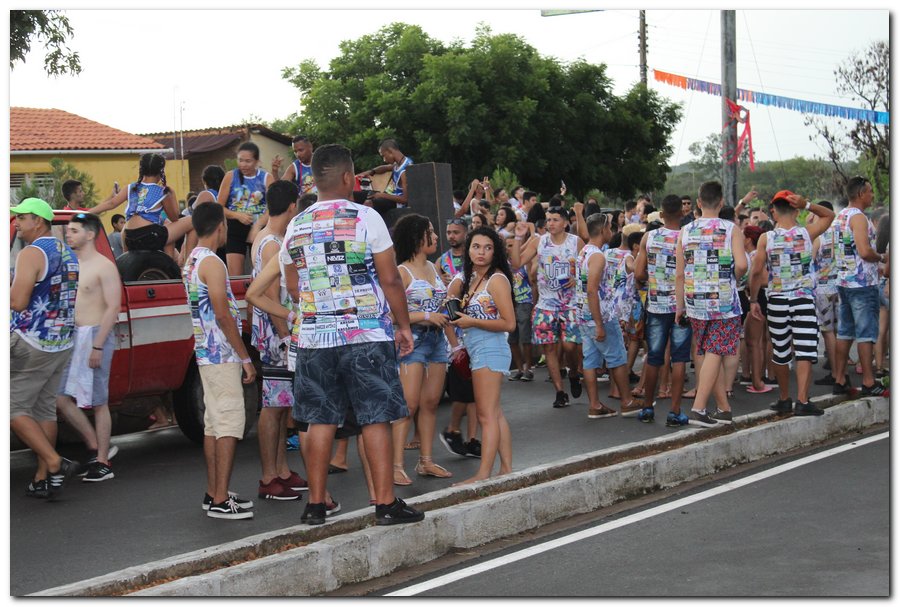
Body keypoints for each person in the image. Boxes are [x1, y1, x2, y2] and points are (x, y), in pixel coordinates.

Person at [280, 143, 423, 526]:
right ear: (347, 177)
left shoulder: (296, 225)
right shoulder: (366, 217)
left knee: (320, 420)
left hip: (314, 337)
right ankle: (385, 504)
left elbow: (292, 284)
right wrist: (404, 325)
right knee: (375, 417)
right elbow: (390, 278)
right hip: (365, 334)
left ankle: (315, 505)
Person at [184, 202, 258, 520]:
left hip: (204, 352)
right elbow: (223, 313)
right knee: (227, 423)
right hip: (221, 353)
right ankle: (218, 499)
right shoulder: (213, 263)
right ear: (220, 227)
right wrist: (245, 357)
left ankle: (215, 492)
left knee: (213, 424)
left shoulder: (191, 260)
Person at [10, 198, 80, 498]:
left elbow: (17, 302)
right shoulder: (67, 251)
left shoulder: (31, 253)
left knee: (11, 407)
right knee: (43, 409)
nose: (17, 223)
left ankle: (53, 461)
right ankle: (43, 478)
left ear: (38, 221)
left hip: (31, 340)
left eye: (22, 218)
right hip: (61, 341)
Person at [749, 191, 835, 416]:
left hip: (777, 300)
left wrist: (753, 300)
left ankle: (784, 398)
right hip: (803, 299)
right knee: (805, 351)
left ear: (773, 212)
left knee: (781, 351)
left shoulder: (766, 238)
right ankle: (803, 401)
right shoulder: (807, 233)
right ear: (796, 211)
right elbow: (829, 216)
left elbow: (757, 271)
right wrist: (808, 203)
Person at [247, 180, 308, 500]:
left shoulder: (268, 237)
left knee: (284, 406)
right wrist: (285, 337)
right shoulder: (271, 242)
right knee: (272, 407)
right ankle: (269, 475)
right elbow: (271, 296)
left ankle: (282, 470)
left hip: (278, 332)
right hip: (276, 335)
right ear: (292, 207)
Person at [54, 212, 122, 481]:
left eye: (73, 230)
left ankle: (103, 461)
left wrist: (97, 345)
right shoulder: (71, 264)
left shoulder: (104, 266)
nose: (68, 234)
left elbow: (113, 307)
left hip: (96, 336)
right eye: (68, 230)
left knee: (98, 402)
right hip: (74, 337)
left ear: (90, 234)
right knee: (61, 398)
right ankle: (95, 444)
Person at [675, 181, 747, 427]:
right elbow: (743, 265)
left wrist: (679, 307)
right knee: (716, 351)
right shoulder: (731, 229)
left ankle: (724, 409)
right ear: (722, 202)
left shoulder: (685, 231)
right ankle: (698, 408)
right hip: (724, 301)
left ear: (697, 203)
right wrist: (734, 275)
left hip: (695, 301)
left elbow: (679, 274)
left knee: (707, 353)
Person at [447, 227, 516, 485]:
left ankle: (483, 474)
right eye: (476, 246)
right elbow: (451, 290)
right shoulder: (473, 277)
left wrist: (472, 321)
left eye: (488, 247)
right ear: (468, 249)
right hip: (479, 347)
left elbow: (509, 323)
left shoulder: (496, 279)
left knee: (486, 415)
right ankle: (506, 468)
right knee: (495, 413)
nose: (481, 252)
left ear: (495, 251)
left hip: (490, 347)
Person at [391, 214, 453, 485]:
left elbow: (441, 306)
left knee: (430, 403)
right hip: (413, 341)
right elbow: (392, 315)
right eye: (431, 231)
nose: (437, 237)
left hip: (437, 340)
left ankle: (426, 461)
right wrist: (426, 317)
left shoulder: (433, 266)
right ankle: (395, 466)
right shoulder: (401, 272)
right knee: (409, 404)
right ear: (417, 238)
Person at [511, 207, 584, 408]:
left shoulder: (575, 242)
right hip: (545, 305)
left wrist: (576, 278)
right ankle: (560, 392)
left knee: (570, 346)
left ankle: (574, 373)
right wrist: (518, 238)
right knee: (550, 348)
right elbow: (516, 262)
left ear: (565, 223)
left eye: (555, 219)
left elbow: (588, 266)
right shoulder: (539, 241)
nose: (550, 223)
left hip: (569, 305)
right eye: (548, 219)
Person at [632, 195, 693, 426]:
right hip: (682, 306)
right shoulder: (688, 237)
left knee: (654, 357)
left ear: (661, 214)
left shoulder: (649, 237)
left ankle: (648, 408)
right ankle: (675, 411)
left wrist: (655, 279)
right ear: (682, 212)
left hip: (656, 305)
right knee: (678, 359)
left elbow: (638, 274)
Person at [830, 176, 888, 397]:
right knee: (866, 333)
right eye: (870, 191)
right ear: (861, 193)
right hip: (862, 283)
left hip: (844, 280)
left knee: (845, 331)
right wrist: (881, 257)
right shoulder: (859, 218)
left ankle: (839, 378)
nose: (872, 195)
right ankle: (868, 380)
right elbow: (864, 251)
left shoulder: (840, 217)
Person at [576, 212, 637, 419]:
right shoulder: (597, 256)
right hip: (600, 315)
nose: (612, 231)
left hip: (584, 315)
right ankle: (627, 401)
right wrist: (600, 324)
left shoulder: (585, 251)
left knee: (590, 360)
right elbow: (592, 290)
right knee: (617, 358)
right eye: (610, 227)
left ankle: (595, 404)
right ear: (602, 230)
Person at [91, 153, 194, 258]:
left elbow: (111, 203)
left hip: (128, 238)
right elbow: (174, 218)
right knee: (192, 221)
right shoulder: (163, 191)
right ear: (161, 170)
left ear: (142, 170)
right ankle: (186, 265)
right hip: (149, 236)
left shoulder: (130, 187)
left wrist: (87, 212)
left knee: (167, 231)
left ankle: (169, 262)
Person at [215, 142, 276, 276]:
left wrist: (258, 225)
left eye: (248, 161)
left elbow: (273, 207)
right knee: (235, 276)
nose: (243, 164)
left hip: (259, 229)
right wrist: (237, 215)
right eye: (240, 160)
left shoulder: (266, 177)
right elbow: (219, 207)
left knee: (262, 272)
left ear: (257, 161)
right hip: (235, 228)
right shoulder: (231, 176)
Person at [810, 202, 840, 386]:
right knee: (839, 331)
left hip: (822, 289)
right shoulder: (839, 234)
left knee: (827, 332)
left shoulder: (818, 238)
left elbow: (809, 262)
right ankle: (841, 372)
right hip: (840, 286)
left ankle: (836, 373)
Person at [358, 138, 413, 217]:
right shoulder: (398, 164)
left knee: (369, 203)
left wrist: (381, 195)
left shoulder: (405, 170)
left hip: (398, 204)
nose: (384, 159)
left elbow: (405, 199)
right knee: (360, 195)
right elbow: (385, 168)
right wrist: (371, 172)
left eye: (383, 155)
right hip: (391, 198)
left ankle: (361, 225)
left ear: (390, 151)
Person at [506, 237, 535, 382]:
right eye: (507, 246)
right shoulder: (503, 265)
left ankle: (528, 369)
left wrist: (534, 304)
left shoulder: (524, 263)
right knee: (512, 339)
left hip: (525, 302)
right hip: (510, 304)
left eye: (512, 245)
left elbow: (533, 282)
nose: (509, 248)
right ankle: (519, 369)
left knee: (525, 338)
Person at [436, 218, 467, 285]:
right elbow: (435, 285)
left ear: (466, 233)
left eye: (456, 232)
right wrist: (440, 281)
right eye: (448, 232)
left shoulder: (473, 257)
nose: (451, 236)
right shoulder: (441, 261)